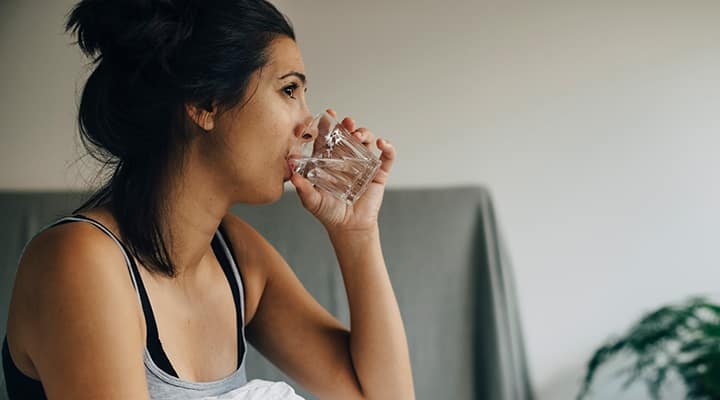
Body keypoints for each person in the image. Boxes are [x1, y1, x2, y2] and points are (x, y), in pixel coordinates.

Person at [1, 1, 415, 399]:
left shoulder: (235, 257)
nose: (309, 127)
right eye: (289, 90)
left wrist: (356, 233)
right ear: (205, 103)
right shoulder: (80, 260)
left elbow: (379, 396)